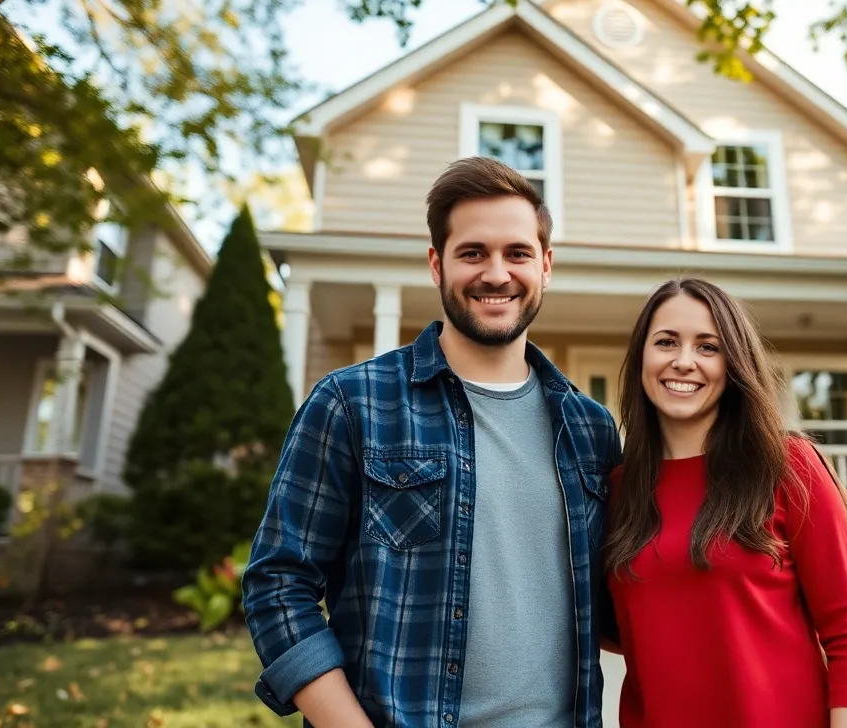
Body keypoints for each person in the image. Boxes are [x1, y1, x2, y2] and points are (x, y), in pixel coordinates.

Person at [242, 157, 623, 728]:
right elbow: (278, 584)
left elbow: (627, 601)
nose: (497, 273)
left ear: (545, 266)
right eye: (473, 253)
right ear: (435, 264)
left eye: (517, 253)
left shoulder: (590, 428)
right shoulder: (354, 403)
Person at [604, 277, 847, 728]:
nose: (683, 361)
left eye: (708, 347)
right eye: (666, 342)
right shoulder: (615, 489)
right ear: (641, 357)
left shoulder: (788, 466)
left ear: (734, 363)